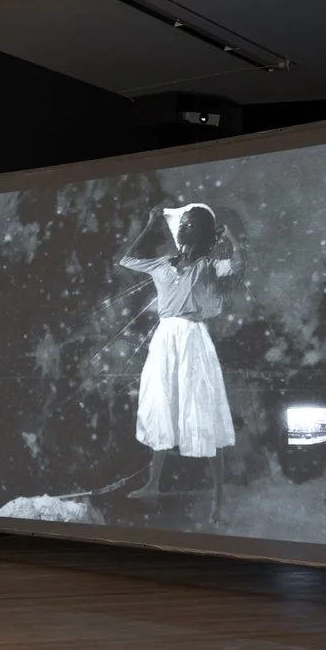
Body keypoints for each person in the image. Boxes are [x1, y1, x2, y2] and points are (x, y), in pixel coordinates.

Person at [116, 201, 240, 513]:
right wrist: (149, 224)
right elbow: (126, 259)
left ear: (201, 232)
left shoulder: (208, 265)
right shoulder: (162, 264)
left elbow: (238, 266)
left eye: (190, 224)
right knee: (162, 406)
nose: (184, 228)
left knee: (203, 410)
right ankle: (153, 484)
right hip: (164, 338)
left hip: (193, 338)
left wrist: (233, 240)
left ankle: (218, 500)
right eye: (181, 223)